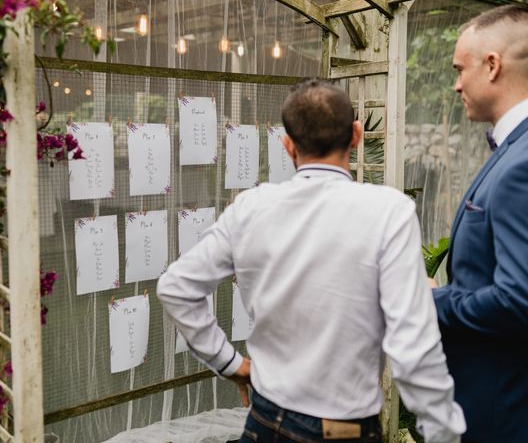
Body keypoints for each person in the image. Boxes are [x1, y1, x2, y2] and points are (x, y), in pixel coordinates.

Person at [157, 79, 465, 443]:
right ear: (356, 134)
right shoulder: (389, 211)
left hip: (265, 422)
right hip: (345, 429)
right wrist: (443, 432)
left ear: (287, 145)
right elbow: (411, 339)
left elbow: (176, 287)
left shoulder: (252, 208)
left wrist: (231, 364)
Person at [430, 4, 528, 442]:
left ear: (492, 65)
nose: (455, 85)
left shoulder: (520, 165)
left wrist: (433, 301)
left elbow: (518, 298)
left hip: (505, 412)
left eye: (459, 69)